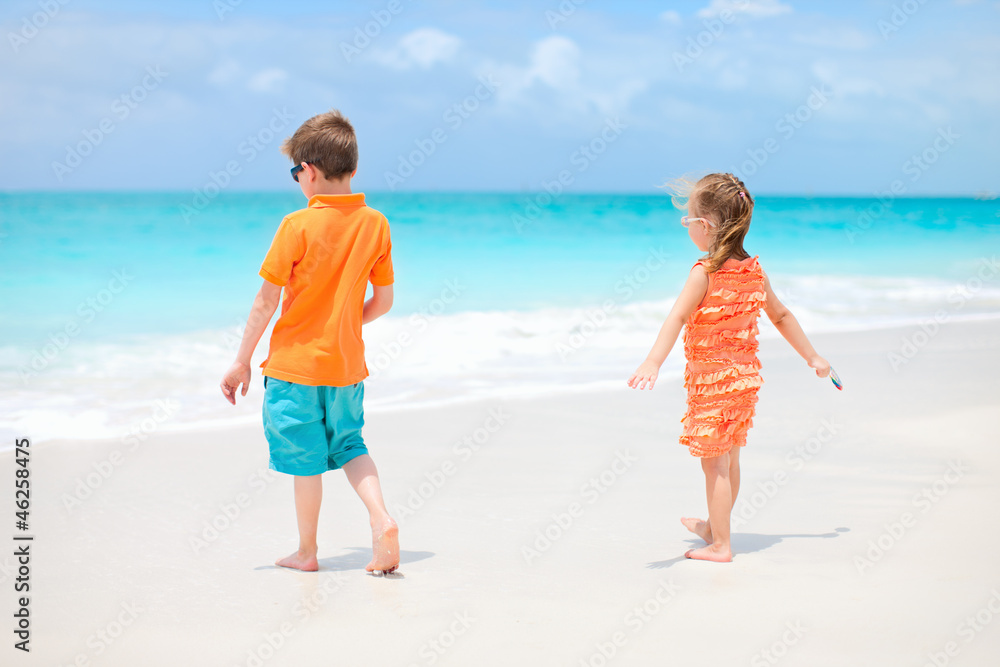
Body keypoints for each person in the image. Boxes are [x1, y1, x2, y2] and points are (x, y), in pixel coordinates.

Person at [220, 109, 399, 574]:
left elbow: (265, 301)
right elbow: (383, 302)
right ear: (353, 169)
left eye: (295, 172)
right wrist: (345, 325)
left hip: (294, 369)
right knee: (351, 446)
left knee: (305, 461)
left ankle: (306, 552)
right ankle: (381, 519)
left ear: (310, 172)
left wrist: (241, 361)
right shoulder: (375, 223)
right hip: (346, 368)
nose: (297, 180)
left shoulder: (296, 225)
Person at [628, 173, 830, 563]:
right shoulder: (754, 271)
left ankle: (721, 545)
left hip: (713, 386)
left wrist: (653, 361)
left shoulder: (703, 272)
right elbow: (782, 316)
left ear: (705, 226)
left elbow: (676, 317)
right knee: (731, 461)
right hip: (745, 381)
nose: (687, 228)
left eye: (688, 222)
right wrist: (813, 357)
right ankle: (713, 527)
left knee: (714, 467)